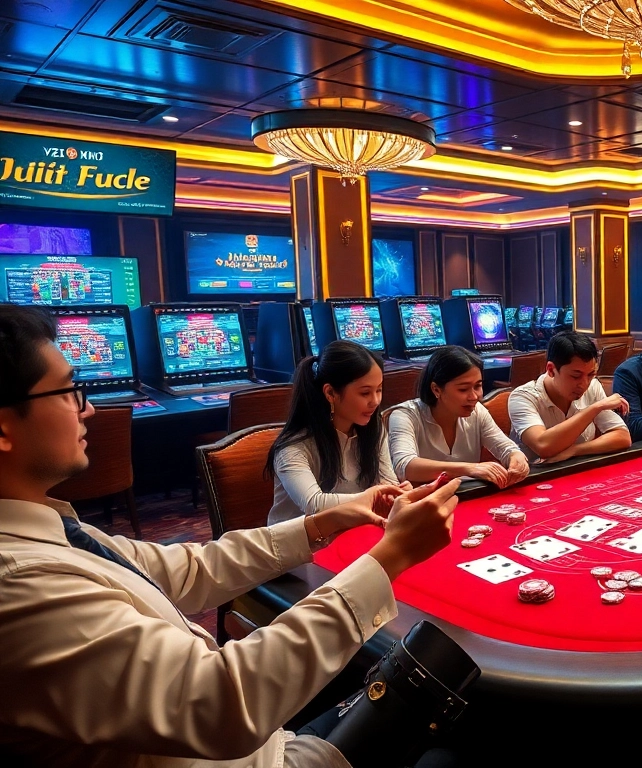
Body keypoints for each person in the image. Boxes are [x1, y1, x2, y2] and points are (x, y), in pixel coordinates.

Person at [0, 304, 464, 767]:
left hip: (263, 736)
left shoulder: (57, 530)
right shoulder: (22, 585)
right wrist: (390, 557)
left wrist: (323, 522)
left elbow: (191, 569)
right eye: (70, 391)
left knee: (434, 690)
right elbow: (217, 702)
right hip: (252, 753)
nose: (89, 407)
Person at [268, 341, 406, 525]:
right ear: (330, 393)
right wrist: (373, 495)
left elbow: (386, 483)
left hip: (353, 529)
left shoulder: (373, 429)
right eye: (365, 393)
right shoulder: (293, 447)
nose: (375, 401)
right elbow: (315, 505)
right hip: (300, 540)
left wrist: (396, 494)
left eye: (379, 390)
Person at [387, 346, 529, 487]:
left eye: (478, 386)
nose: (474, 397)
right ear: (436, 389)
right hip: (422, 499)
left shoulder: (477, 411)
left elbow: (505, 447)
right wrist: (470, 468)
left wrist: (515, 456)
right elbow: (405, 466)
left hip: (466, 494)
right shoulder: (405, 415)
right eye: (463, 389)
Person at [509, 331, 632, 462]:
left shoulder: (593, 386)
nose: (584, 384)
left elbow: (622, 437)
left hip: (575, 467)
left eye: (591, 374)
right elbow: (543, 446)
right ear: (551, 370)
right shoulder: (522, 397)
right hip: (537, 472)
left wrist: (575, 450)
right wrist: (595, 408)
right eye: (575, 376)